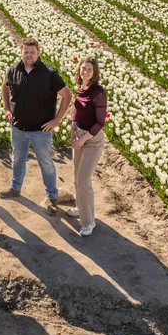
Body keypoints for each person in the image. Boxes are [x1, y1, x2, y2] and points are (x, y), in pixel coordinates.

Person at [0, 39, 72, 215]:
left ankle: (52, 197)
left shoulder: (49, 73)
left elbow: (67, 95)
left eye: (32, 52)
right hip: (18, 127)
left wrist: (57, 120)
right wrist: (7, 108)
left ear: (38, 53)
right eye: (26, 52)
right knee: (18, 159)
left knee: (46, 164)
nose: (29, 55)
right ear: (21, 52)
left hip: (41, 130)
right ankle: (15, 188)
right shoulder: (13, 70)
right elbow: (4, 87)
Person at [67, 57, 107, 236]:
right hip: (80, 136)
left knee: (83, 180)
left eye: (89, 69)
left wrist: (82, 139)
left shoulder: (98, 93)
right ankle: (80, 207)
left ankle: (89, 222)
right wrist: (73, 131)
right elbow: (77, 111)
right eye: (83, 68)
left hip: (93, 140)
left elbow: (100, 123)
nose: (86, 72)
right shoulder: (80, 88)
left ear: (94, 72)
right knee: (77, 177)